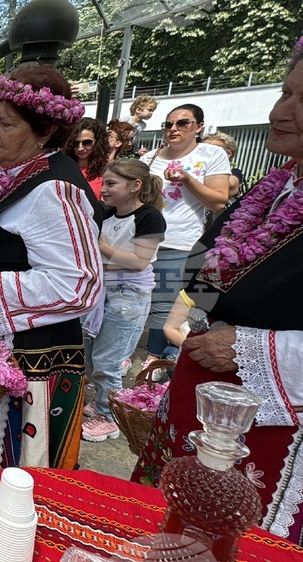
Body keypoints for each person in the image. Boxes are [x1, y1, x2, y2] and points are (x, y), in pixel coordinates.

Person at [133, 38, 303, 546]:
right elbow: (214, 259)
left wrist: (252, 348)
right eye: (284, 92)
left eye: (301, 100)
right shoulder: (277, 187)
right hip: (201, 399)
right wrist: (187, 315)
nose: (279, 111)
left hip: (270, 430)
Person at [0, 66, 102, 479]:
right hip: (0, 345)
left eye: (6, 124)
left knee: (14, 473)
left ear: (43, 132)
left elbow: (79, 283)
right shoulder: (18, 177)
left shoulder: (53, 188)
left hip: (31, 358)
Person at [140, 104, 230, 379]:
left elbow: (219, 201)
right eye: (168, 124)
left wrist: (188, 179)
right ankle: (132, 354)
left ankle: (153, 357)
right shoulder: (151, 159)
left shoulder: (211, 154)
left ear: (198, 127)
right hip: (143, 239)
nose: (173, 129)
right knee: (137, 299)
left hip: (181, 242)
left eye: (182, 123)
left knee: (166, 304)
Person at [81, 159, 165, 442]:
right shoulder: (106, 214)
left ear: (135, 186)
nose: (103, 190)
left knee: (109, 360)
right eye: (103, 183)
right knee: (92, 355)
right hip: (101, 291)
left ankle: (109, 417)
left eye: (111, 184)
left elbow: (139, 261)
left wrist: (99, 245)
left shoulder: (150, 217)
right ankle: (104, 402)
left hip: (127, 296)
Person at [66, 117, 111, 197]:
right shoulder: (65, 168)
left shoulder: (107, 171)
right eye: (75, 143)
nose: (80, 148)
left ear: (98, 142)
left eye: (87, 142)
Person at [201, 132, 244, 201]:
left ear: (227, 154)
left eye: (213, 149)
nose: (207, 151)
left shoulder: (234, 174)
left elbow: (230, 184)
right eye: (203, 148)